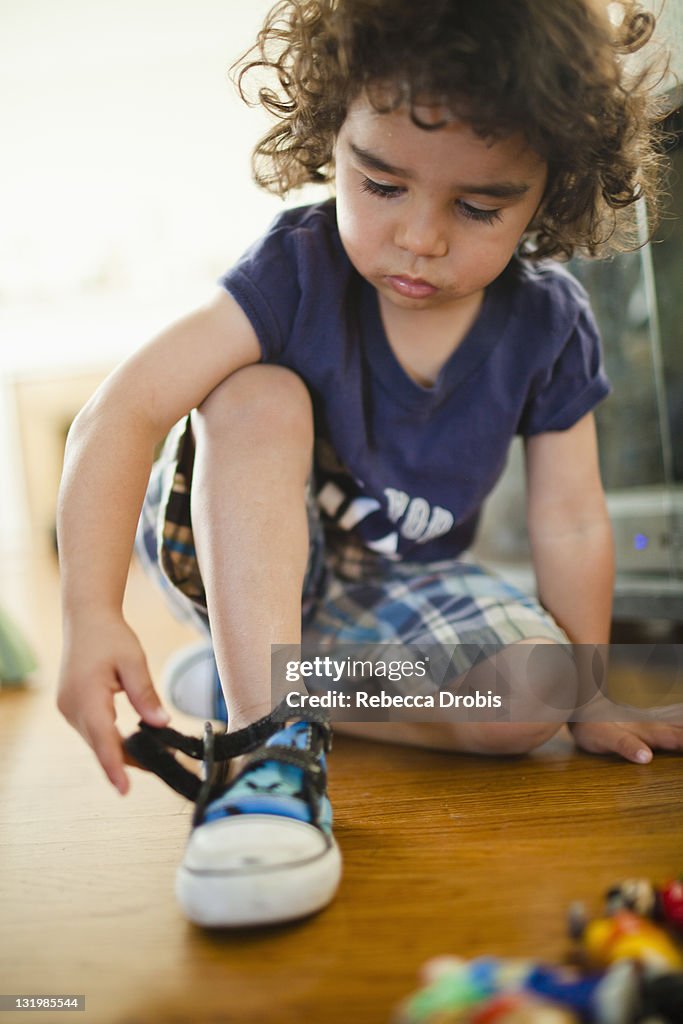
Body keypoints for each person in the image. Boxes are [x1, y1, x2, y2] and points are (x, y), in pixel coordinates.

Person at [56, 0, 682, 929]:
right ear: (331, 136)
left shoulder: (550, 323)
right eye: (380, 185)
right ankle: (264, 737)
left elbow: (574, 518)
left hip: (390, 588)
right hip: (235, 549)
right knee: (256, 391)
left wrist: (589, 698)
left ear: (549, 190)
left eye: (477, 206)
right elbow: (121, 409)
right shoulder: (297, 269)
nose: (419, 238)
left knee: (536, 698)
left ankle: (265, 677)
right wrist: (89, 614)